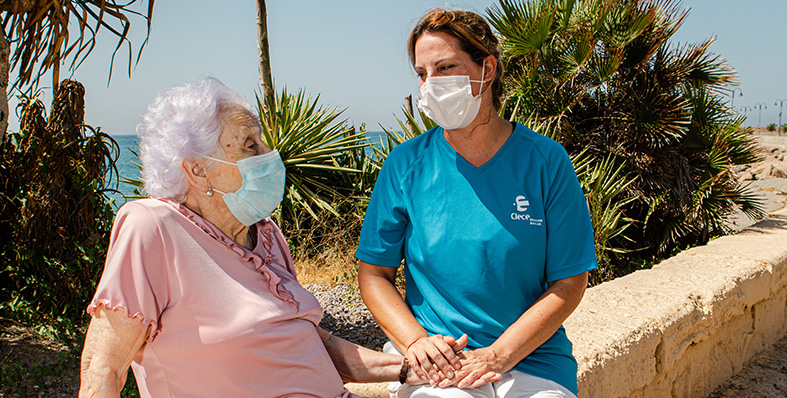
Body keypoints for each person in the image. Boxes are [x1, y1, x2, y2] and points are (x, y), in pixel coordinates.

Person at [78, 77, 479, 398]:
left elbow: (306, 343)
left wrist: (413, 366)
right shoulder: (152, 227)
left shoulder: (265, 236)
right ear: (198, 171)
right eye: (250, 144)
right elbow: (103, 367)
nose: (270, 154)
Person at [356, 8, 597, 398]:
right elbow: (374, 275)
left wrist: (499, 356)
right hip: (440, 361)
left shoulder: (546, 162)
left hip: (534, 358)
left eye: (446, 67)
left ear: (487, 69)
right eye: (422, 73)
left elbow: (570, 281)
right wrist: (417, 343)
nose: (430, 84)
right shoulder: (405, 165)